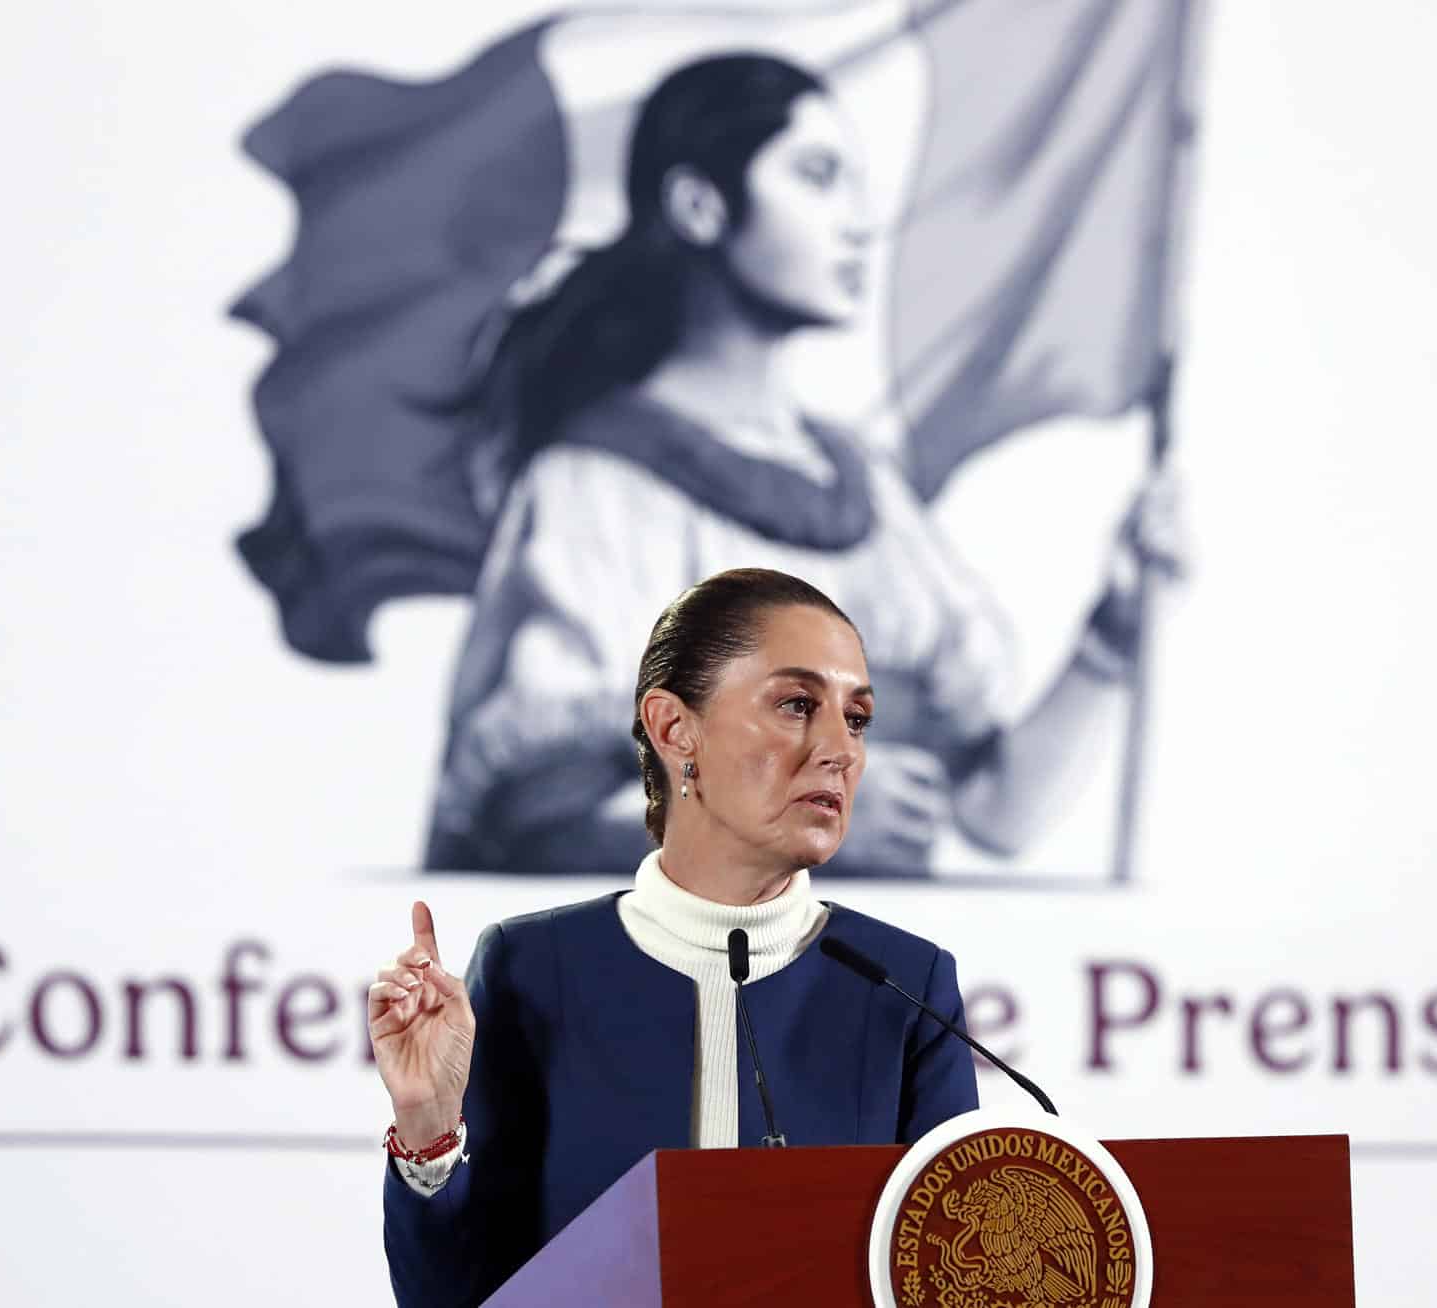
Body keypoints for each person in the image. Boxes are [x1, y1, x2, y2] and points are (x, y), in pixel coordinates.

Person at [424, 52, 1169, 878]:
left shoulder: (866, 492)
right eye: (817, 177)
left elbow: (995, 813)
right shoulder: (594, 488)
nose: (858, 223)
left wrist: (1114, 633)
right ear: (699, 205)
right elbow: (541, 825)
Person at [372, 569, 982, 1308]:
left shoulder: (905, 984)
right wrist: (430, 1130)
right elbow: (455, 1297)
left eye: (856, 719)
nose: (841, 751)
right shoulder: (534, 971)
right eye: (797, 705)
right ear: (673, 729)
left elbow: (952, 1276)